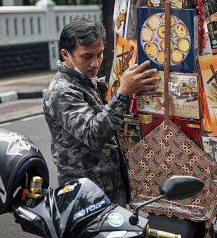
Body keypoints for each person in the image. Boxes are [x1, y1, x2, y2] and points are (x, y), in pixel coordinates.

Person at [43, 17, 159, 205]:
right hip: (84, 195)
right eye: (87, 56)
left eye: (100, 54)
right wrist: (123, 93)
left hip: (109, 189)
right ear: (66, 54)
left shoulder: (88, 82)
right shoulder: (62, 91)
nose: (95, 63)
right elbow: (94, 134)